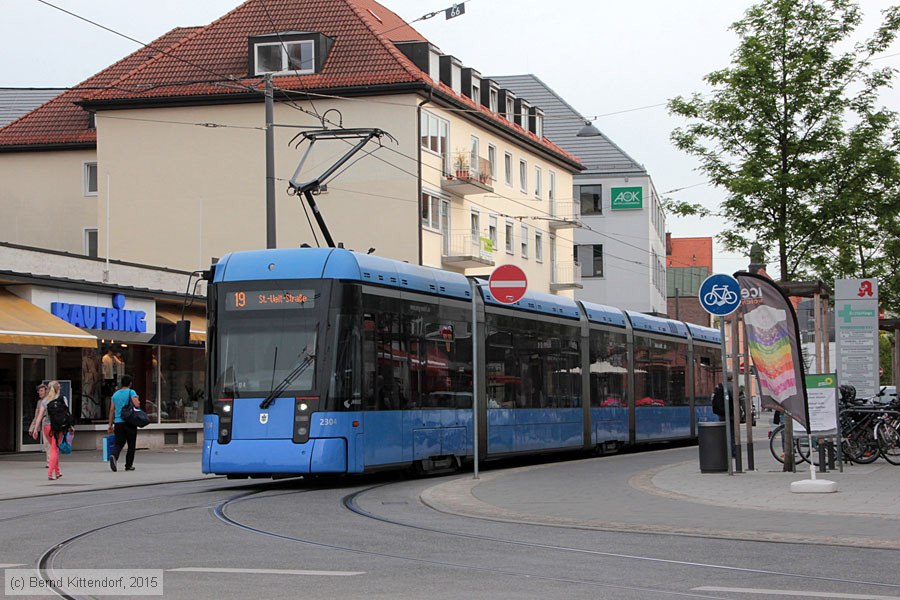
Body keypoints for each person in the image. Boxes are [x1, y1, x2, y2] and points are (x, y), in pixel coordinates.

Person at [30, 380, 69, 480]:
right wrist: (70, 426)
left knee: (53, 447)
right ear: (58, 388)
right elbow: (67, 414)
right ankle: (50, 473)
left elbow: (39, 416)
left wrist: (35, 429)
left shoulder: (45, 401)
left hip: (46, 426)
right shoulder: (62, 399)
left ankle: (57, 471)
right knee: (54, 449)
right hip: (58, 427)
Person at [107, 374, 140, 472]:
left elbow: (112, 410)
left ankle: (114, 455)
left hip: (118, 422)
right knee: (131, 444)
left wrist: (110, 425)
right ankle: (128, 465)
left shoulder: (115, 394)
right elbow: (136, 404)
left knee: (119, 443)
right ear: (130, 383)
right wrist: (137, 398)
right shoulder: (131, 392)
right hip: (130, 422)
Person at [28, 383, 50, 467]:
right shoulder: (39, 402)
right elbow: (37, 415)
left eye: (41, 391)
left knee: (50, 443)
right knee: (47, 443)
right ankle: (50, 461)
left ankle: (51, 462)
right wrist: (32, 428)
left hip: (51, 423)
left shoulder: (50, 400)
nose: (39, 393)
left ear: (46, 391)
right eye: (39, 391)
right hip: (45, 423)